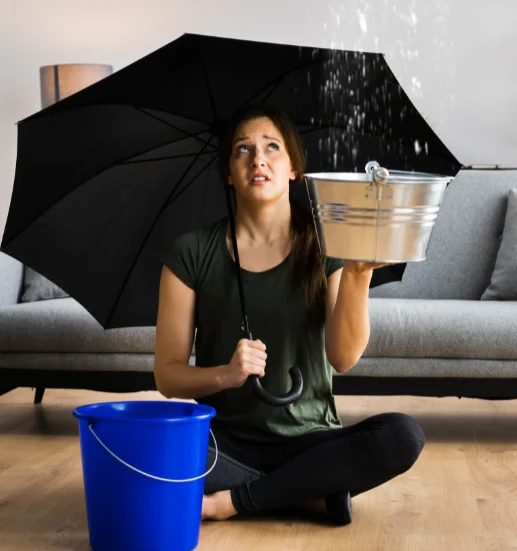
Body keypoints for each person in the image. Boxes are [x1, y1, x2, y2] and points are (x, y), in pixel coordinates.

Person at [154, 104, 426, 526]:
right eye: (242, 149)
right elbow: (167, 376)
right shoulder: (190, 252)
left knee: (402, 436)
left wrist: (356, 274)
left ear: (294, 167)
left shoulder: (328, 242)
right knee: (152, 446)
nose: (257, 159)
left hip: (311, 440)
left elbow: (343, 357)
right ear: (228, 172)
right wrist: (224, 375)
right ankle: (304, 492)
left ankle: (235, 501)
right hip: (222, 443)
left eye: (271, 147)